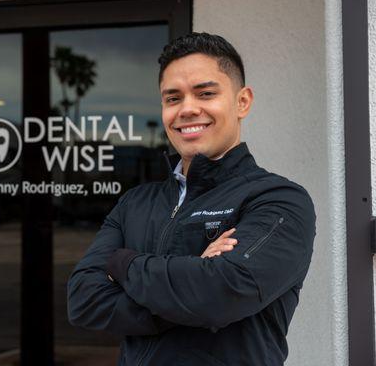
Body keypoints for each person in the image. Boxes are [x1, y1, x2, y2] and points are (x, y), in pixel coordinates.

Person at [67, 32, 316, 366]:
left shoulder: (278, 201)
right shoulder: (134, 203)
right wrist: (193, 282)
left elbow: (224, 292)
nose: (187, 109)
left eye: (206, 93)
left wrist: (123, 264)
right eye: (173, 98)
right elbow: (83, 300)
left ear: (242, 102)